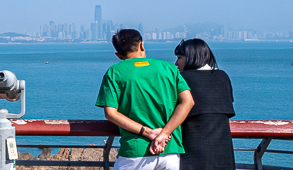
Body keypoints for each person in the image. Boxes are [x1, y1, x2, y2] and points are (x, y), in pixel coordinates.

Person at [96, 29, 194, 170]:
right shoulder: (168, 68)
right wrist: (164, 133)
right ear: (142, 44)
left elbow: (110, 113)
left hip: (136, 151)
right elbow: (188, 101)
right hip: (170, 149)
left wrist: (148, 132)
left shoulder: (114, 72)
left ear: (118, 55)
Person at [174, 39, 236, 170]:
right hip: (223, 147)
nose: (176, 63)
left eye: (179, 58)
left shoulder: (183, 78)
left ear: (191, 56)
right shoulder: (222, 76)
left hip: (193, 145)